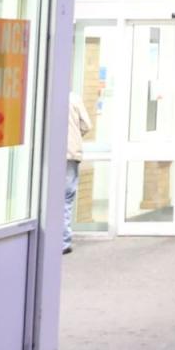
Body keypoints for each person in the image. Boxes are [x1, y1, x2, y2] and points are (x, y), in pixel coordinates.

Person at [63, 92, 93, 253]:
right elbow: (87, 125)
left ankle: (48, 238)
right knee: (65, 198)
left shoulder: (42, 94)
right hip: (70, 154)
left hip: (48, 155)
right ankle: (63, 242)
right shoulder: (73, 98)